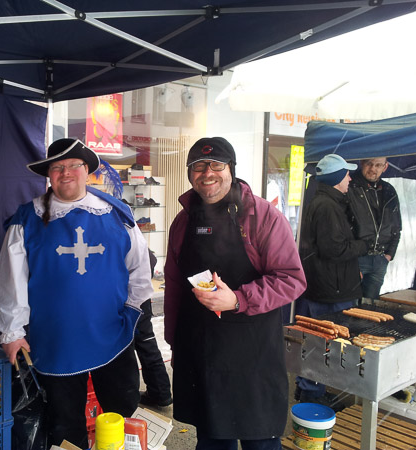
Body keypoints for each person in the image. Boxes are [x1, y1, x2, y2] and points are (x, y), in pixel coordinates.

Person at [0, 138, 154, 449]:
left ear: (87, 171)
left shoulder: (116, 214)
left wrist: (130, 311)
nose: (65, 173)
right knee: (65, 426)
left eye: (73, 166)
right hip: (56, 339)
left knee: (121, 414)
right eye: (57, 167)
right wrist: (12, 331)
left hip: (111, 333)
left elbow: (139, 268)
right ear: (49, 175)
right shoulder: (28, 218)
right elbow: (10, 280)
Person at [164, 137, 306, 450]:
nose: (207, 173)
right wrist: (175, 342)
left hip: (252, 354)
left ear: (231, 169)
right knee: (212, 437)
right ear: (189, 173)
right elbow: (174, 285)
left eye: (216, 164)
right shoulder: (183, 221)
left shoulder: (264, 217)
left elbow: (292, 279)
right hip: (201, 350)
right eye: (198, 166)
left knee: (260, 441)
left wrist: (239, 299)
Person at [296, 153, 370, 405]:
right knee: (321, 342)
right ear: (337, 178)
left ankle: (308, 388)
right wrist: (364, 246)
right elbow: (333, 249)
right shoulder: (327, 207)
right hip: (331, 289)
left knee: (316, 340)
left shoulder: (325, 202)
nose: (350, 178)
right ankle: (311, 393)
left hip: (328, 285)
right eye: (347, 174)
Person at [347, 157, 401, 301]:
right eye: (369, 164)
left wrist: (389, 255)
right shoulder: (349, 185)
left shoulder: (389, 190)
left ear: (385, 167)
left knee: (370, 306)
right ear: (361, 163)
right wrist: (350, 258)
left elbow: (396, 227)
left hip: (380, 259)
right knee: (349, 305)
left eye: (378, 165)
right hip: (356, 258)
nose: (373, 169)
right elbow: (341, 226)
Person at [136, 250, 172, 409]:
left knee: (125, 350)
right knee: (146, 343)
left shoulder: (123, 236)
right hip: (140, 297)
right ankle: (160, 393)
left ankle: (130, 396)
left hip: (130, 299)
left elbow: (150, 258)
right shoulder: (133, 239)